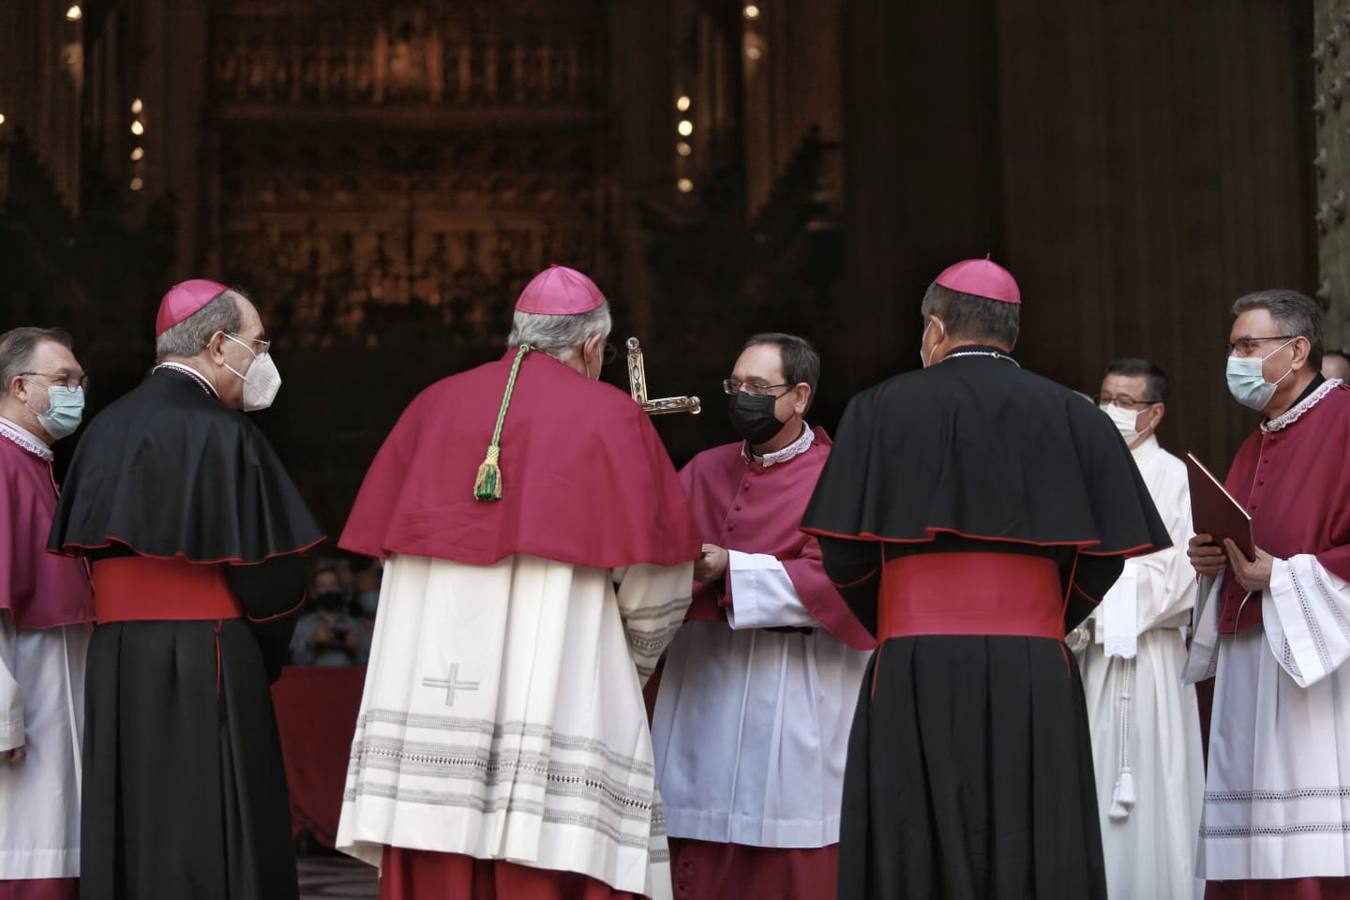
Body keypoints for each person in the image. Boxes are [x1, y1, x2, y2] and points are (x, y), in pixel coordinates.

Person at [800, 257, 1170, 900]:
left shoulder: (876, 409)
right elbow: (1106, 555)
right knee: (1033, 837)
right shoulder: (1079, 416)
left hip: (913, 663)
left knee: (913, 842)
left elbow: (844, 554)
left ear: (935, 329)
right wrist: (1044, 618)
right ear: (1013, 333)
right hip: (1034, 666)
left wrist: (899, 621)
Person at [336, 265, 701, 900]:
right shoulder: (611, 416)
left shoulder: (433, 405)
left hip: (433, 697)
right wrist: (628, 659)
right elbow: (659, 572)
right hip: (561, 685)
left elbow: (392, 556)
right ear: (592, 346)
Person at [47, 280, 324, 900]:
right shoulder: (227, 434)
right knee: (218, 818)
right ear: (219, 344)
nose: (262, 358)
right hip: (216, 652)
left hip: (117, 657)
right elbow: (274, 578)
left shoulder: (103, 427)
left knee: (134, 809)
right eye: (258, 343)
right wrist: (265, 654)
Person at [650, 334, 874, 900]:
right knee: (693, 827)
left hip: (795, 685)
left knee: (788, 838)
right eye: (735, 385)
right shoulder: (703, 468)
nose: (741, 397)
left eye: (757, 387)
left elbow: (850, 582)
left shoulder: (841, 474)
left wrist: (731, 568)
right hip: (704, 684)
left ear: (800, 396)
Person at [1184, 289, 1350, 899]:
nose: (1237, 360)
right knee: (1250, 830)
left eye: (1249, 346)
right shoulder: (1255, 441)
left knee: (1305, 837)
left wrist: (1283, 577)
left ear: (1297, 349)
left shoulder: (1345, 422)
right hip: (1252, 661)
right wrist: (1212, 562)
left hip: (1317, 662)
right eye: (1233, 347)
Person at [1073, 357, 1203, 899]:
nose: (1111, 411)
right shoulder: (1080, 471)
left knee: (1160, 786)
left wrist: (1101, 594)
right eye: (1105, 397)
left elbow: (1185, 573)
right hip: (1093, 659)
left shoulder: (1176, 477)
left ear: (1154, 414)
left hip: (1152, 659)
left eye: (1125, 403)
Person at [0, 328, 93, 900]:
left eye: (79, 380)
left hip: (49, 691)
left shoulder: (33, 462)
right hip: (24, 697)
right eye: (62, 380)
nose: (75, 391)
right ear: (19, 386)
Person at [290, 566, 371, 666]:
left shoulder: (356, 625)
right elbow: (294, 665)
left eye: (333, 585)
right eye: (322, 586)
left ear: (341, 589)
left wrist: (356, 648)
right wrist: (311, 643)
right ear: (313, 593)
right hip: (313, 680)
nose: (328, 590)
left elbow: (369, 667)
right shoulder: (301, 626)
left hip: (349, 679)